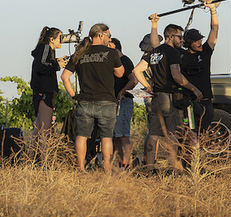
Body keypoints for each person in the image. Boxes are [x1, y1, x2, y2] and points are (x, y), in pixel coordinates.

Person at [132, 19, 203, 169]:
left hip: (156, 97)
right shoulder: (172, 52)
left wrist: (148, 87)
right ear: (170, 37)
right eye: (179, 37)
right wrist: (193, 88)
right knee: (173, 133)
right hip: (169, 97)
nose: (181, 40)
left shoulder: (153, 52)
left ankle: (149, 167)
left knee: (153, 134)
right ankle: (173, 167)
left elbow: (137, 71)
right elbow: (177, 76)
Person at [61, 24, 124, 172]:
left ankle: (81, 168)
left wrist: (74, 96)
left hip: (85, 101)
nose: (110, 38)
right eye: (108, 35)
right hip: (107, 101)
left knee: (82, 136)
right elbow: (120, 73)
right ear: (100, 35)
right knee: (106, 137)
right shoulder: (111, 53)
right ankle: (107, 169)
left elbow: (65, 77)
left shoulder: (79, 53)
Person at [179, 2, 219, 135]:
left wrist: (212, 10)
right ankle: (189, 156)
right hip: (189, 102)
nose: (199, 43)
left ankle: (201, 155)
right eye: (196, 41)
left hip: (206, 101)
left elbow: (214, 29)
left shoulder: (206, 52)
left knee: (204, 133)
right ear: (188, 43)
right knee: (189, 134)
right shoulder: (181, 56)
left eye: (200, 40)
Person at [30, 26, 67, 157]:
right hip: (45, 93)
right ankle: (46, 163)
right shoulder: (46, 48)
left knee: (38, 129)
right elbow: (42, 65)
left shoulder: (45, 50)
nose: (62, 41)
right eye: (60, 38)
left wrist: (56, 61)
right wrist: (57, 65)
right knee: (45, 130)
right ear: (51, 39)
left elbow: (43, 63)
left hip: (41, 92)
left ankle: (28, 161)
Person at [110, 38, 137, 169]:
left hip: (124, 101)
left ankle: (127, 165)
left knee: (123, 135)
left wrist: (122, 91)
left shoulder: (125, 61)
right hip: (113, 102)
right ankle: (120, 164)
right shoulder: (111, 62)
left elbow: (133, 80)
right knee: (116, 136)